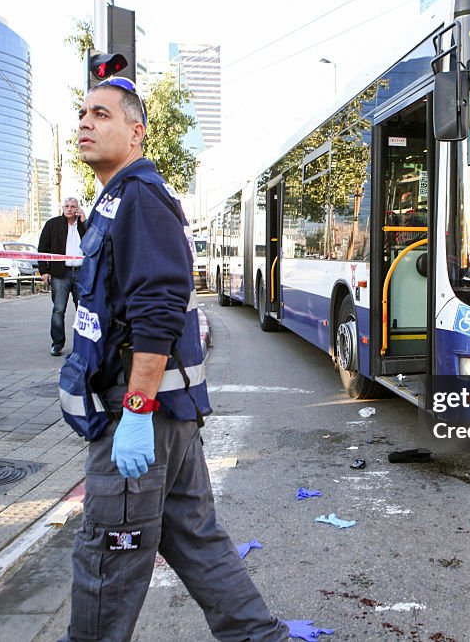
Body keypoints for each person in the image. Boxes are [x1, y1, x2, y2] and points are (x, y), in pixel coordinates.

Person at [59, 77, 287, 642]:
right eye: (83, 114)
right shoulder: (119, 198)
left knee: (109, 558)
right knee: (194, 537)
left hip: (143, 413)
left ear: (136, 133)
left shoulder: (137, 198)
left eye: (102, 115)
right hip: (165, 411)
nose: (85, 123)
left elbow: (158, 312)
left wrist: (135, 411)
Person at [38, 196, 86, 356]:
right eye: (67, 206)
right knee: (58, 310)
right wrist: (44, 271)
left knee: (83, 311)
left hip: (82, 274)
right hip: (60, 274)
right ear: (62, 208)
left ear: (78, 208)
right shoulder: (52, 224)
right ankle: (57, 344)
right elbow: (43, 248)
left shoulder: (84, 225)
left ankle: (82, 345)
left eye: (73, 206)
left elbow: (93, 242)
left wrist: (84, 222)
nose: (70, 209)